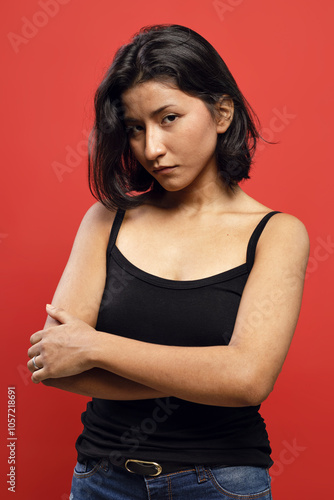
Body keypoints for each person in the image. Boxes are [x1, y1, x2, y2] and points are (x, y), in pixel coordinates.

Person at [27, 24, 309, 499]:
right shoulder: (107, 219)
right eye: (135, 128)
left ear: (221, 112)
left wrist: (96, 346)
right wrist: (204, 376)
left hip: (221, 482)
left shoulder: (277, 233)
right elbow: (56, 364)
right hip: (102, 480)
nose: (151, 148)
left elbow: (247, 380)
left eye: (169, 118)